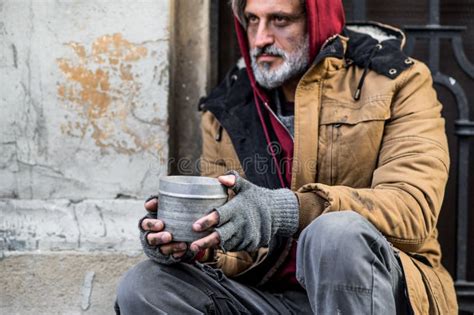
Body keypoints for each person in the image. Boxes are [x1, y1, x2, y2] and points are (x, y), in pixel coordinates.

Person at [115, 0, 458, 314]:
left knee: (335, 236)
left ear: (316, 20)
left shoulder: (397, 81)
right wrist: (195, 243)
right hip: (270, 297)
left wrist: (286, 211)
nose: (261, 37)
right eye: (252, 20)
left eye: (280, 20)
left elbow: (413, 210)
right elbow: (233, 252)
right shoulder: (227, 108)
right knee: (147, 285)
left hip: (378, 291)